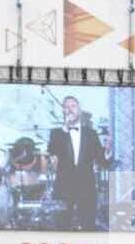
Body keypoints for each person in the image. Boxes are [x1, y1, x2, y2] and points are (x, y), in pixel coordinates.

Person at [47, 95, 109, 230]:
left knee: (88, 227)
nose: (70, 109)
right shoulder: (56, 133)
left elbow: (101, 160)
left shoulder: (91, 134)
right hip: (64, 188)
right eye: (66, 107)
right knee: (62, 228)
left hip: (86, 188)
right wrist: (65, 128)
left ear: (79, 110)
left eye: (73, 106)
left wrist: (107, 151)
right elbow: (52, 150)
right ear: (63, 111)